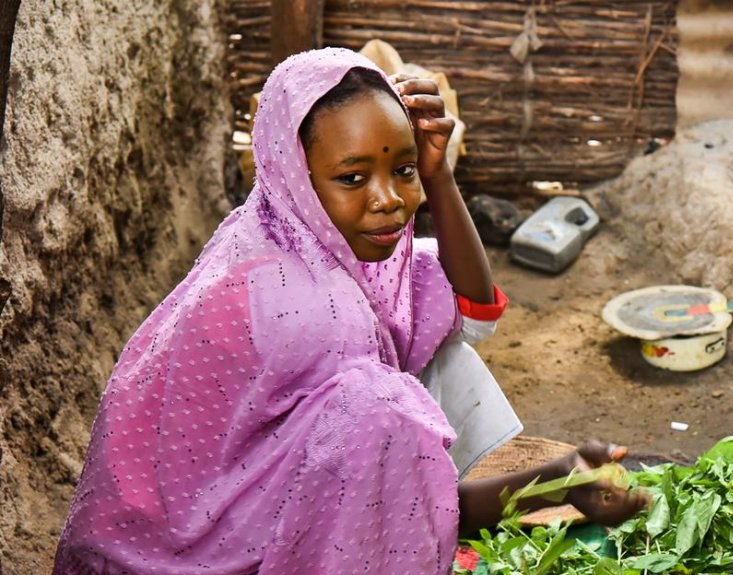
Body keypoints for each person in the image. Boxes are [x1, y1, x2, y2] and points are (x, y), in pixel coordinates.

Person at [53, 48, 647, 574]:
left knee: (413, 376)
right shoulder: (304, 312)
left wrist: (437, 176)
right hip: (180, 553)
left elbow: (473, 313)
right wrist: (553, 484)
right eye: (353, 176)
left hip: (217, 511)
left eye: (404, 170)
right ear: (294, 174)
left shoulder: (280, 229)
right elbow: (387, 499)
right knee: (386, 410)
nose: (389, 200)